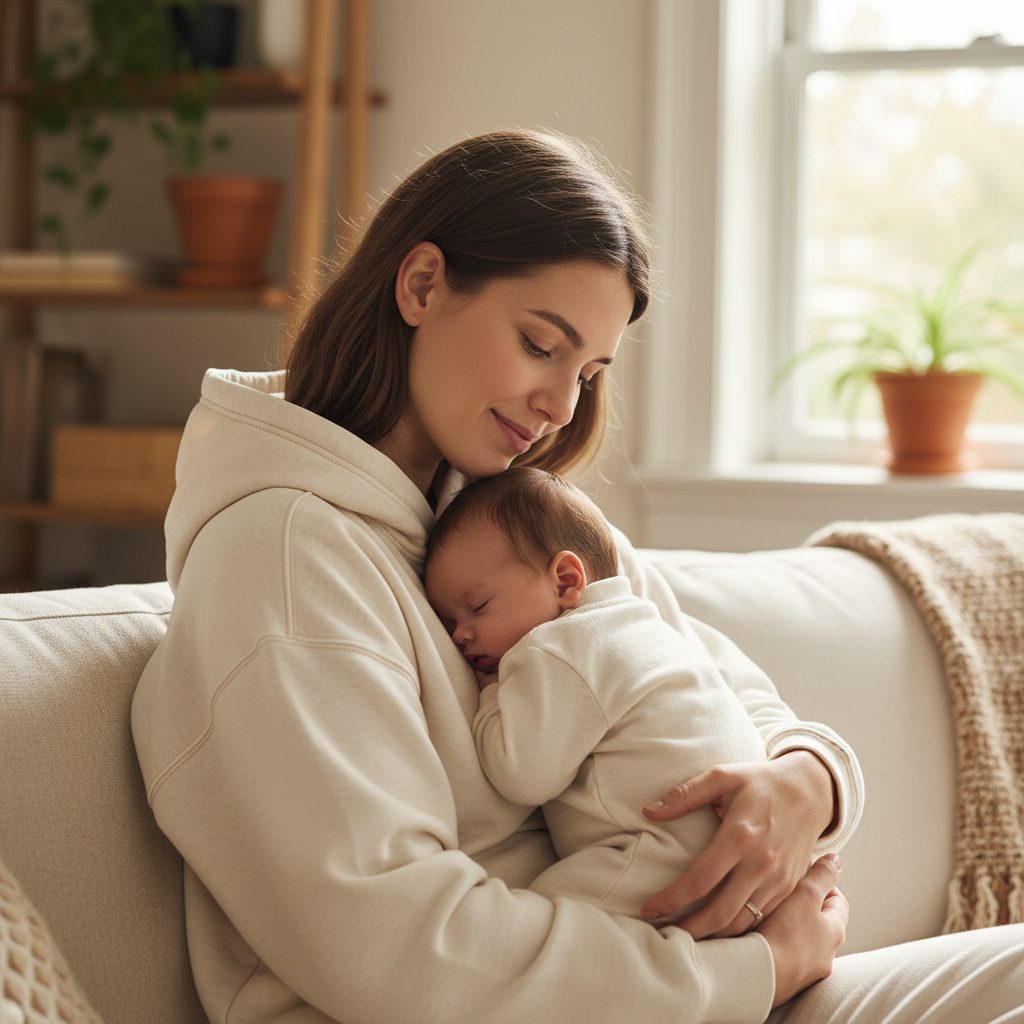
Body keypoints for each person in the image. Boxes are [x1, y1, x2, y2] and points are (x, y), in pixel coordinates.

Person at [131, 128, 1024, 1023]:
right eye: (540, 345)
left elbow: (697, 670)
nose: (562, 405)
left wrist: (810, 779)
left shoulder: (503, 519)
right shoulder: (284, 555)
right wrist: (756, 971)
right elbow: (398, 949)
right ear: (422, 285)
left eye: (588, 370)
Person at [425, 465, 831, 925]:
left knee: (529, 923)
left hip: (663, 853)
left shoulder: (557, 647)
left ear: (564, 581)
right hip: (738, 842)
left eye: (477, 607)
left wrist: (491, 694)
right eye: (449, 622)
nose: (461, 636)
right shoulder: (640, 622)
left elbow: (521, 774)